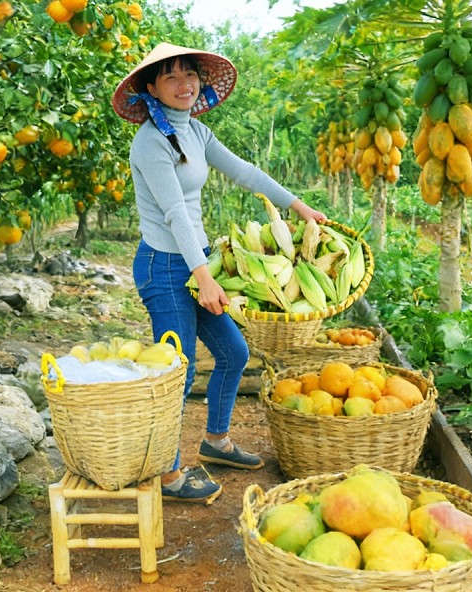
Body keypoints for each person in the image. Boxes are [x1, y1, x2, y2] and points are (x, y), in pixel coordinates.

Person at [111, 42, 327, 503]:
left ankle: (216, 441)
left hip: (196, 262)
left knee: (233, 352)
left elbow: (246, 173)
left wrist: (299, 206)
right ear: (151, 88)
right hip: (165, 265)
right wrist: (204, 277)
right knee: (179, 372)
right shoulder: (150, 141)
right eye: (170, 77)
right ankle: (168, 474)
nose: (184, 84)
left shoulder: (196, 132)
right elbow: (175, 212)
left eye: (189, 74)